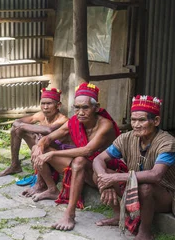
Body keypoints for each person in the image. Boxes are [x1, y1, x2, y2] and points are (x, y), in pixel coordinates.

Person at [93, 95, 175, 240]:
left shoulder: (167, 143)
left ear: (156, 121)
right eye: (133, 120)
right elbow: (98, 159)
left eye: (142, 120)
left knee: (146, 187)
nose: (136, 125)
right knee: (99, 173)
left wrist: (115, 178)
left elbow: (155, 175)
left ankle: (145, 231)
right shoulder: (126, 138)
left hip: (166, 193)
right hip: (136, 184)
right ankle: (119, 215)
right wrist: (106, 182)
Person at [32, 83, 121, 230]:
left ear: (96, 108)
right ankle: (51, 188)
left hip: (104, 169)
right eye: (77, 108)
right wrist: (39, 146)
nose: (80, 112)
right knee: (40, 147)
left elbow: (87, 151)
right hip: (85, 167)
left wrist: (53, 153)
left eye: (85, 108)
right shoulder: (74, 121)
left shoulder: (106, 125)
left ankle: (70, 214)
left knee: (79, 160)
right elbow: (48, 138)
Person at [0, 88, 68, 177]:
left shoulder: (63, 119)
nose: (45, 107)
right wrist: (31, 129)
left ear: (58, 105)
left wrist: (24, 127)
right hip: (41, 148)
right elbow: (16, 122)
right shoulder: (41, 115)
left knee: (33, 134)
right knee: (15, 130)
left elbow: (48, 130)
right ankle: (15, 165)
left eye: (49, 104)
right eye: (43, 103)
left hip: (55, 153)